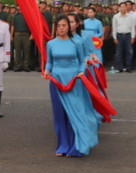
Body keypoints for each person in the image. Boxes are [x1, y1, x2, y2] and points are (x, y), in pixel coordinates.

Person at [43, 16, 101, 157]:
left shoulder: (77, 42)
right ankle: (63, 145)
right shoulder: (51, 44)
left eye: (64, 25)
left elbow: (82, 61)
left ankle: (76, 146)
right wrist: (46, 70)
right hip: (57, 81)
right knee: (59, 115)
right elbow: (49, 62)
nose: (61, 28)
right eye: (59, 26)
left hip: (74, 80)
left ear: (69, 27)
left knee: (75, 114)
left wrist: (81, 72)